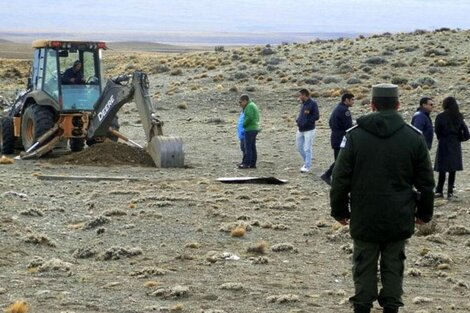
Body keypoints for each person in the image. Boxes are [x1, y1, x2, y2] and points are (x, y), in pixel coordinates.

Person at [330, 84, 435, 313]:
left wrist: (339, 211)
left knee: (364, 264)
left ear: (373, 105)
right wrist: (424, 213)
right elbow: (426, 183)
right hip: (399, 215)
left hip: (364, 214)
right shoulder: (413, 137)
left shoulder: (355, 137)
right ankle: (391, 307)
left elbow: (340, 179)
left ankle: (363, 306)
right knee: (394, 264)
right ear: (397, 105)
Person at [434, 96, 469, 200]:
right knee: (452, 169)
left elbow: (437, 131)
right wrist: (460, 138)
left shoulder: (440, 116)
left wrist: (441, 137)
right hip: (455, 143)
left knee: (442, 169)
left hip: (444, 143)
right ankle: (450, 192)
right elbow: (466, 133)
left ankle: (439, 191)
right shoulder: (458, 116)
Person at [320, 93, 355, 185]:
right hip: (341, 138)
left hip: (335, 136)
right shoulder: (344, 111)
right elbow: (348, 127)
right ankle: (327, 175)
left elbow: (330, 122)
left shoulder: (338, 108)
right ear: (346, 100)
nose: (353, 102)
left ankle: (332, 177)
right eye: (352, 100)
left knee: (339, 159)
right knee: (340, 159)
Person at [295, 88, 320, 173]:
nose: (299, 97)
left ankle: (307, 166)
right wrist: (298, 120)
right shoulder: (303, 104)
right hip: (300, 129)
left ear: (305, 95)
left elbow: (316, 116)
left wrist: (307, 122)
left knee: (307, 148)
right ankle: (306, 162)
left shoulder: (313, 104)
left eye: (300, 95)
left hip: (309, 129)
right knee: (299, 147)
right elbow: (301, 114)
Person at [238, 94, 260, 169]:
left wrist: (244, 124)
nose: (240, 104)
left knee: (248, 147)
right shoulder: (252, 105)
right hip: (254, 128)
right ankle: (252, 163)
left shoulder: (250, 106)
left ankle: (246, 164)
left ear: (245, 100)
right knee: (252, 147)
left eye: (240, 102)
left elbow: (249, 117)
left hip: (250, 129)